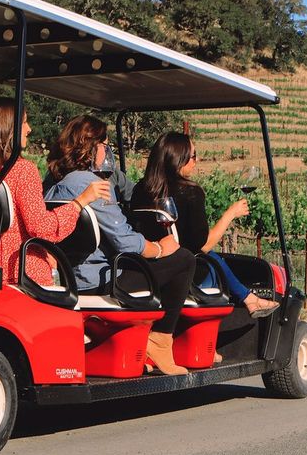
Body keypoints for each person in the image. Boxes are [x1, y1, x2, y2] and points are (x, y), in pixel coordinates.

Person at [44, 115, 196, 376]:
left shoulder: (52, 181)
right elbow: (125, 241)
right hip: (103, 279)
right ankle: (161, 339)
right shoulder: (93, 184)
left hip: (70, 278)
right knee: (183, 260)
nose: (109, 150)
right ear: (92, 147)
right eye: (106, 144)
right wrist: (160, 248)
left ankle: (147, 334)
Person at [0, 98, 110, 287]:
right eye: (23, 122)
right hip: (22, 274)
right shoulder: (23, 170)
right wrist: (79, 202)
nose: (29, 129)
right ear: (8, 127)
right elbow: (41, 229)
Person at [134, 132, 279, 318]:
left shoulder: (141, 190)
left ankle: (250, 299)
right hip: (184, 273)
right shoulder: (190, 192)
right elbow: (203, 245)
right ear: (180, 159)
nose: (197, 160)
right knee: (210, 258)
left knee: (211, 258)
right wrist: (230, 214)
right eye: (193, 156)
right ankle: (249, 300)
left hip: (147, 268)